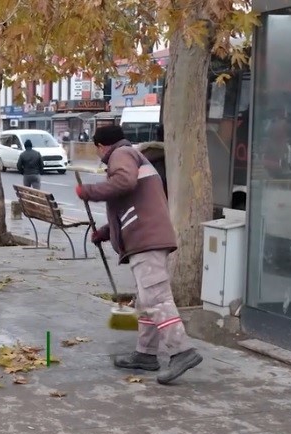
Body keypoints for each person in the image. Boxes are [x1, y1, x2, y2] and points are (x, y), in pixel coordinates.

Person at [75, 124, 203, 384]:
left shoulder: (121, 155)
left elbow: (124, 182)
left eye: (97, 148)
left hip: (146, 238)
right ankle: (145, 354)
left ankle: (181, 351)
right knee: (146, 300)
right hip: (147, 235)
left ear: (102, 146)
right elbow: (132, 204)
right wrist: (106, 231)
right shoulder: (132, 155)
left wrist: (88, 191)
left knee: (156, 297)